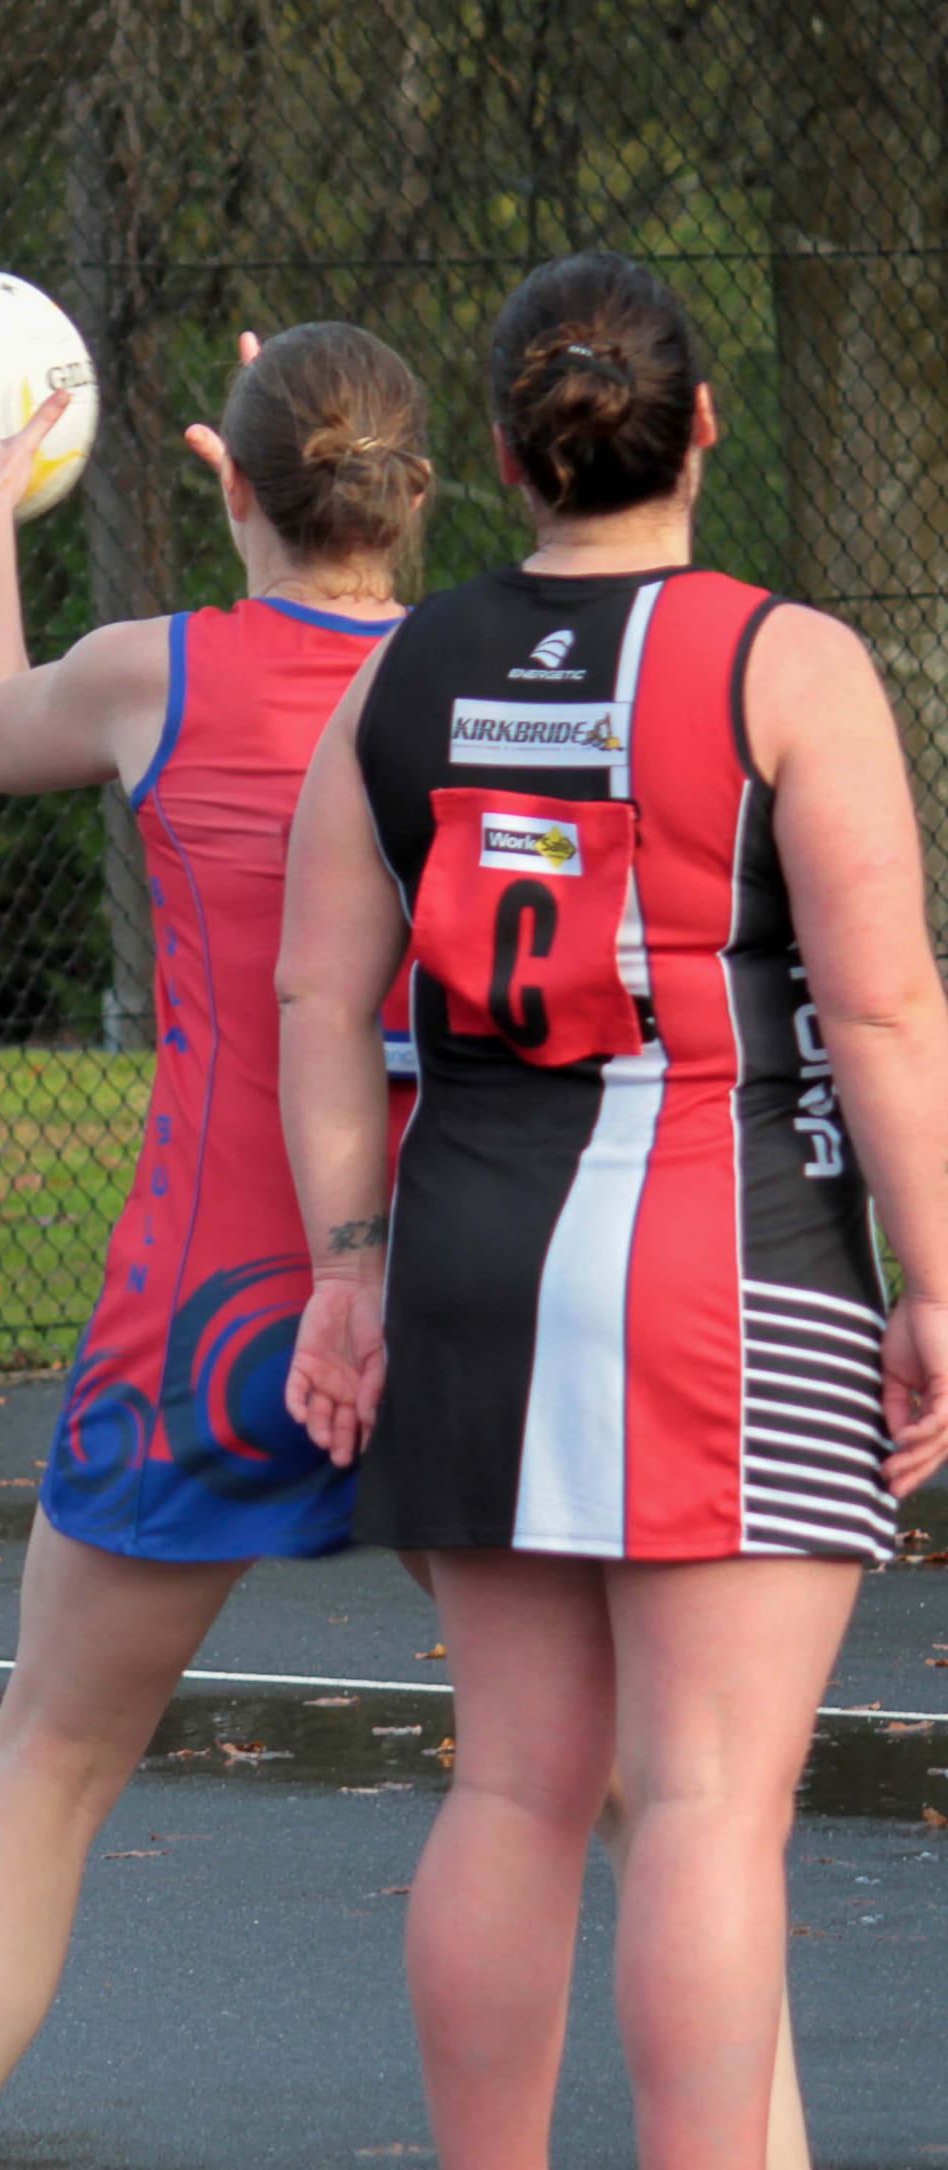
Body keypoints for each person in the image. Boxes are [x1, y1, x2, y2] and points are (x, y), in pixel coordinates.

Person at [277, 248, 948, 2169]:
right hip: (727, 1263)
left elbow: (318, 994)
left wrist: (349, 1268)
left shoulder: (402, 669)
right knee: (712, 1804)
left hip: (473, 1261)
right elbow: (883, 1009)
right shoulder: (783, 662)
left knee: (513, 1787)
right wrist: (939, 1280)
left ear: (505, 456)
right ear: (703, 426)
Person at [0, 324, 429, 2170]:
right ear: (414, 490)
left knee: (48, 1764)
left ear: (227, 480)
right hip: (449, 1284)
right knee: (616, 1778)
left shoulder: (156, 671)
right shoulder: (482, 680)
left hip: (216, 1296)